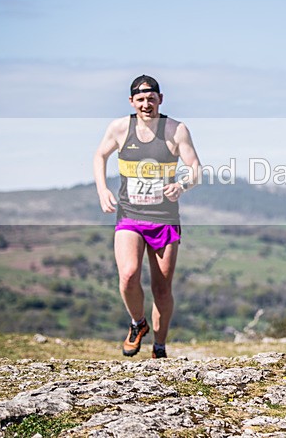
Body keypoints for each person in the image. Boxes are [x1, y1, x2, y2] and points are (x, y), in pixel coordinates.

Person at [93, 75, 201, 359]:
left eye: (151, 99)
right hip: (129, 215)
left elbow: (195, 168)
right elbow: (99, 156)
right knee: (128, 275)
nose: (146, 104)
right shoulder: (119, 128)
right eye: (140, 100)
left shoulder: (176, 130)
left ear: (160, 99)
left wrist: (181, 185)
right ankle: (137, 323)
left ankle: (160, 346)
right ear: (132, 102)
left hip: (164, 219)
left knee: (161, 289)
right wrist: (102, 189)